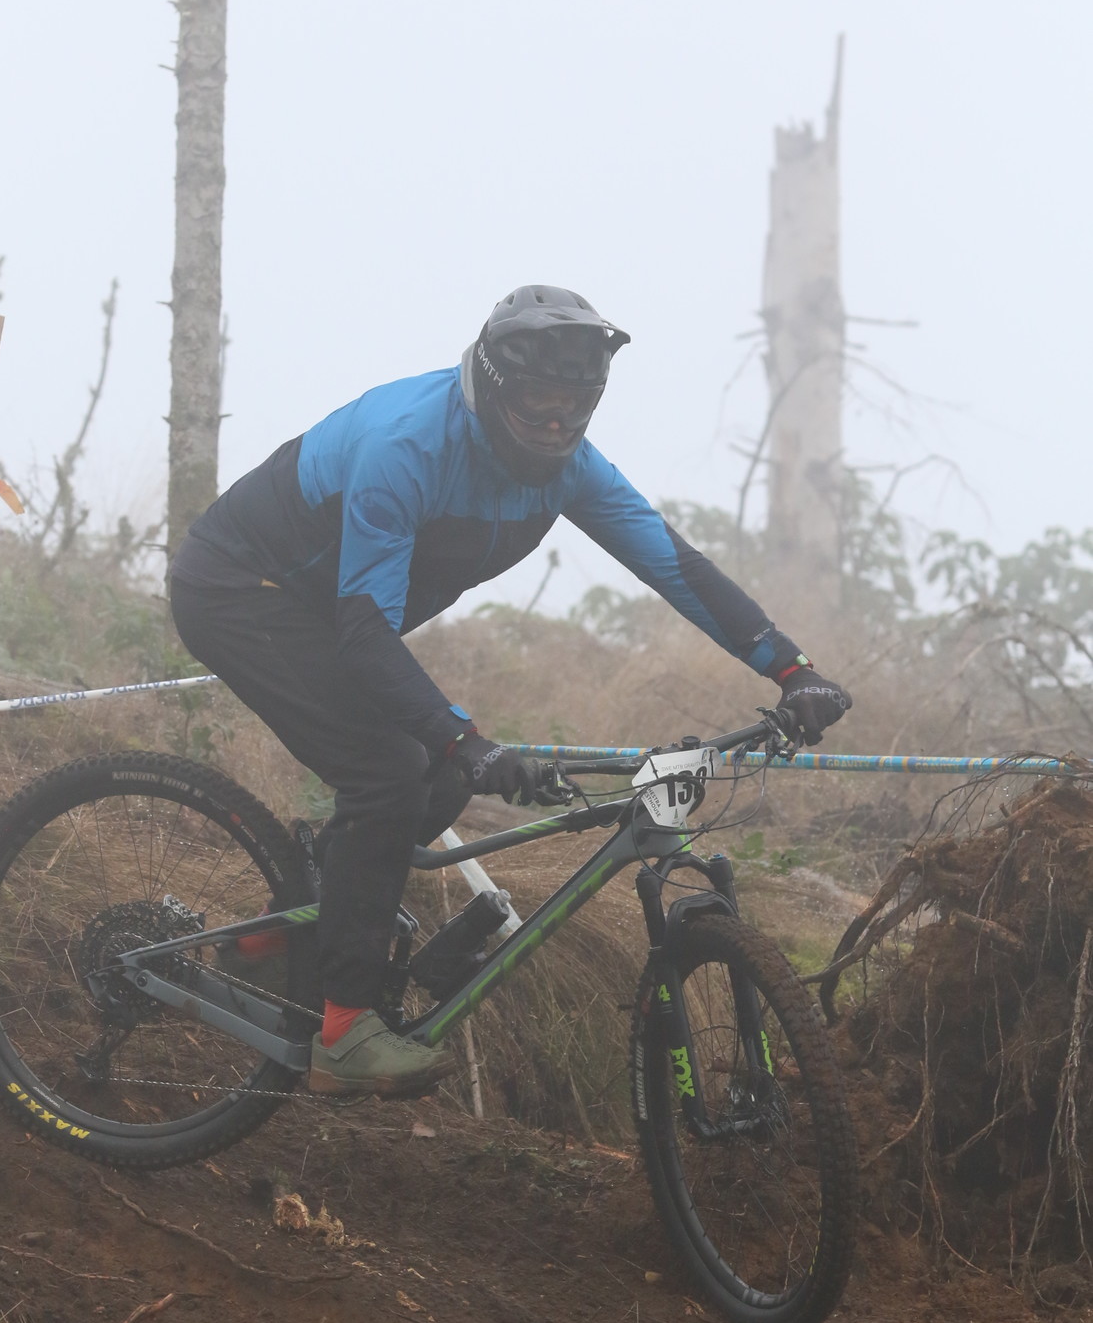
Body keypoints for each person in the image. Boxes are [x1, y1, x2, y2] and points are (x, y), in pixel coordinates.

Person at [169, 285, 850, 1098]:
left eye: (576, 403)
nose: (557, 422)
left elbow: (677, 569)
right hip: (241, 590)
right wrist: (463, 736)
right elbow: (363, 633)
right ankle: (343, 1034)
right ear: (493, 388)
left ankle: (293, 925)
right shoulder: (406, 447)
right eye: (538, 401)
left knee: (444, 775)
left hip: (332, 614)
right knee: (391, 773)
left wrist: (791, 668)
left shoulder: (571, 470)